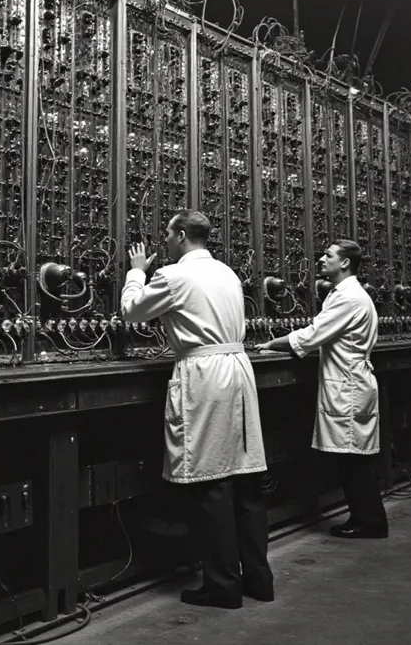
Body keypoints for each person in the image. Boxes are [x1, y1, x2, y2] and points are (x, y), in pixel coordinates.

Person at [120, 210, 274, 609]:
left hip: (205, 376)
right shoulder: (227, 273)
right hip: (239, 371)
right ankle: (258, 579)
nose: (165, 243)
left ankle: (222, 586)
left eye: (168, 235)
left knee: (211, 485)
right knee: (246, 480)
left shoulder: (175, 275)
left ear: (183, 235)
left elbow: (133, 311)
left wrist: (136, 271)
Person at [256, 239, 388, 540]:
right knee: (352, 457)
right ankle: (366, 518)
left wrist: (271, 344)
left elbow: (313, 334)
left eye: (328, 256)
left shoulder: (349, 297)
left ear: (344, 263)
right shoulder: (349, 293)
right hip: (351, 381)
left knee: (353, 459)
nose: (321, 260)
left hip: (349, 385)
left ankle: (369, 522)